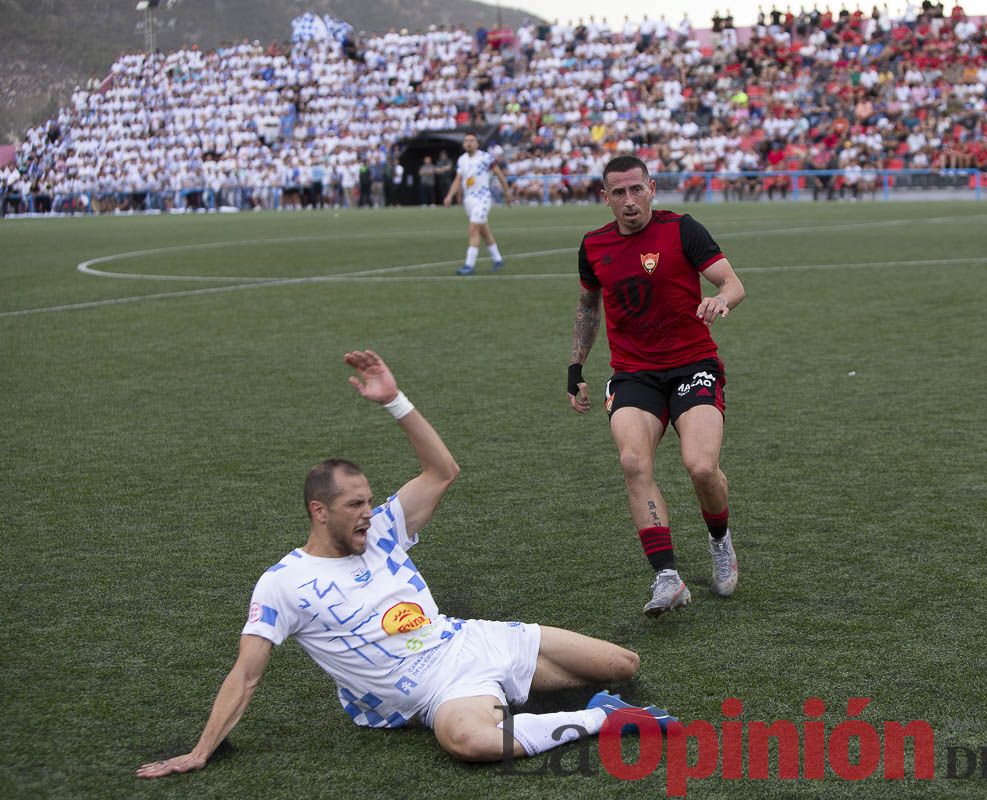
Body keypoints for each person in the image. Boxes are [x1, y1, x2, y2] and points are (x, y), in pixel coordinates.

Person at [136, 350, 674, 779]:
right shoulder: (284, 584)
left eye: (370, 501)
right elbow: (246, 675)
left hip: (469, 642)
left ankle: (556, 698)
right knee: (470, 741)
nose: (369, 514)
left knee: (624, 665)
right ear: (318, 512)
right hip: (434, 693)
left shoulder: (383, 532)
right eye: (355, 506)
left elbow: (442, 471)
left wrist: (396, 401)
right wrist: (201, 750)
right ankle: (602, 717)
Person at [566, 156, 746, 617]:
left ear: (651, 188)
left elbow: (731, 281)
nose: (629, 201)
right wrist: (575, 367)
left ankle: (720, 540)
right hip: (634, 373)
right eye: (618, 193)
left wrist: (720, 299)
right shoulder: (593, 245)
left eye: (636, 190)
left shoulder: (682, 229)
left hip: (693, 364)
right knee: (632, 461)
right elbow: (589, 307)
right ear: (605, 198)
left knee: (701, 467)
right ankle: (667, 577)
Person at [443, 133, 514, 275]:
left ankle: (469, 265)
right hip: (469, 200)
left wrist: (507, 192)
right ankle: (498, 259)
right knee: (483, 230)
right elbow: (458, 179)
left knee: (474, 228)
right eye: (466, 140)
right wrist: (450, 195)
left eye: (472, 140)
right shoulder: (462, 160)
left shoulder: (485, 158)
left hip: (483, 198)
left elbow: (499, 174)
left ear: (477, 143)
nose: (469, 143)